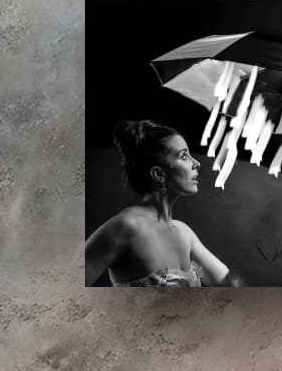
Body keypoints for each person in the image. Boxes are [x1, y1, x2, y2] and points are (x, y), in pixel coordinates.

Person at [85, 120, 242, 287]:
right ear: (159, 173)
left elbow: (228, 283)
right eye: (184, 156)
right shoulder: (127, 226)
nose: (197, 163)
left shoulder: (184, 232)